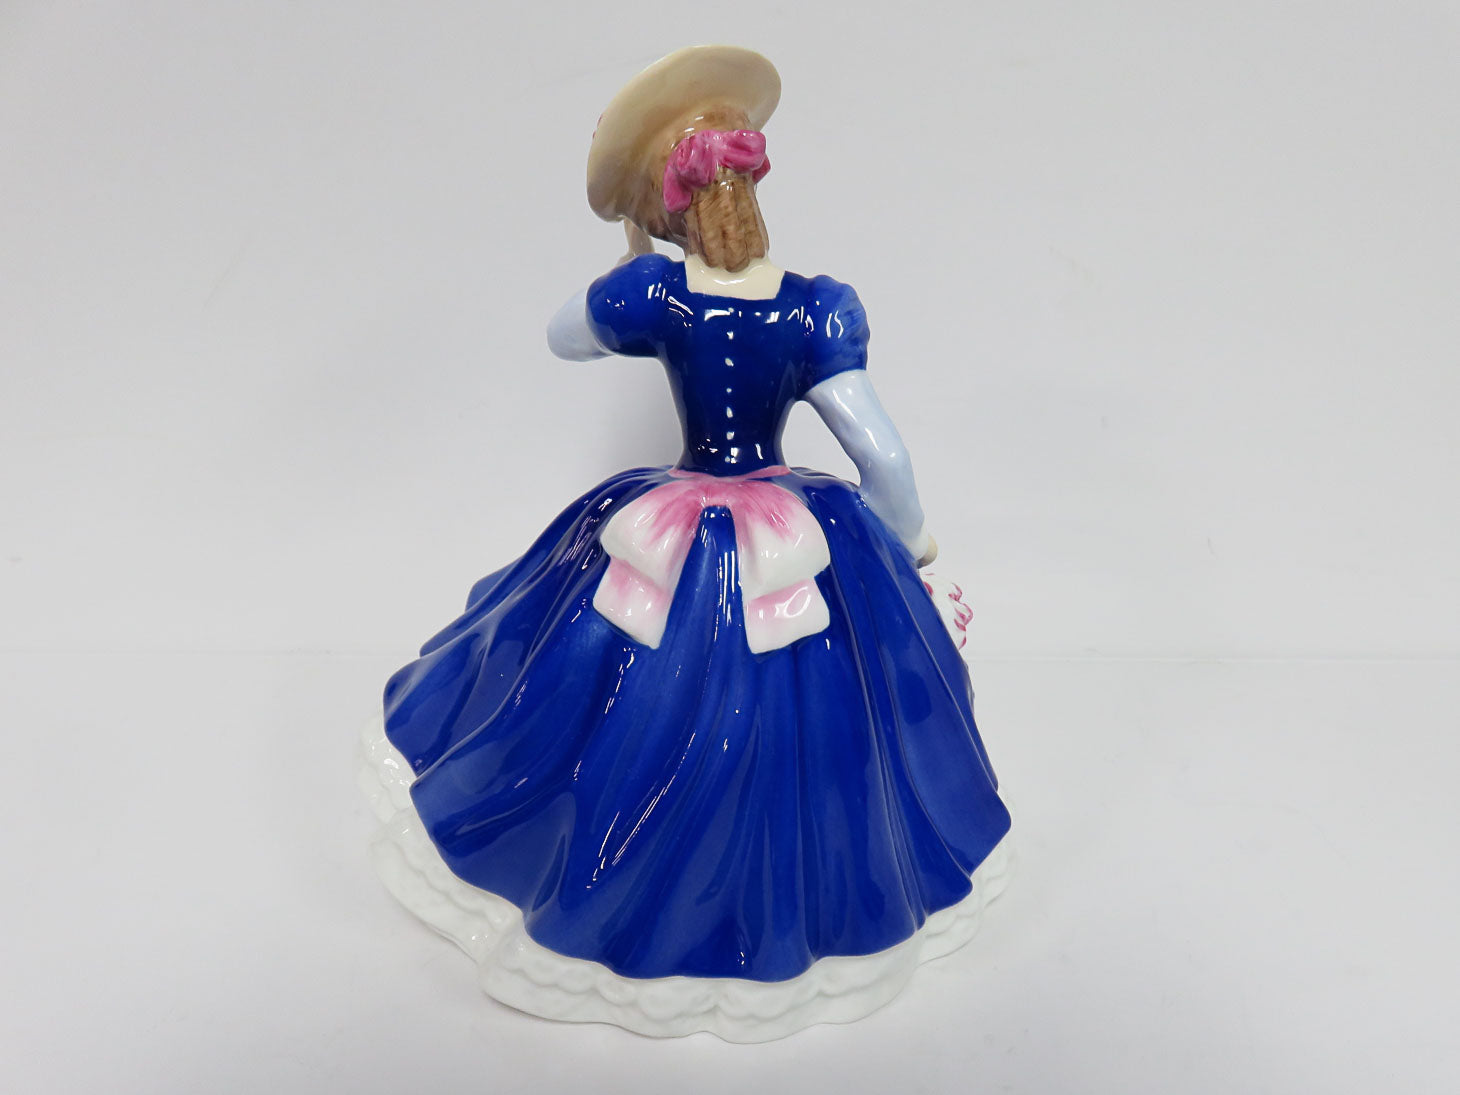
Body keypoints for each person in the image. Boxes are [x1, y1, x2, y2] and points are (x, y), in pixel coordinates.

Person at [365, 45, 1012, 1041]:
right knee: (817, 714)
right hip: (790, 520)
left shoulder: (657, 296)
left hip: (679, 521)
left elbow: (562, 335)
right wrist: (907, 543)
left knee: (617, 700)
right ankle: (799, 904)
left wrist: (632, 267)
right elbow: (880, 454)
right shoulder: (812, 305)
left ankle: (626, 903)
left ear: (665, 207)